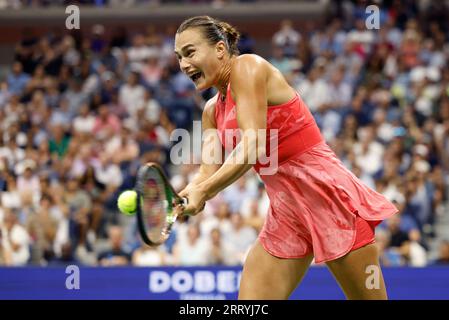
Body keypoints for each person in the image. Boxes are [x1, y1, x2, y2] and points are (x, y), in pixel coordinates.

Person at [174, 16, 398, 300]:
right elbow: (207, 171)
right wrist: (189, 196)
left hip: (328, 197)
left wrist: (204, 190)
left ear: (220, 49)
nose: (183, 64)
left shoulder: (248, 67)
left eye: (190, 52)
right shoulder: (210, 111)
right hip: (286, 214)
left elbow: (252, 143)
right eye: (179, 57)